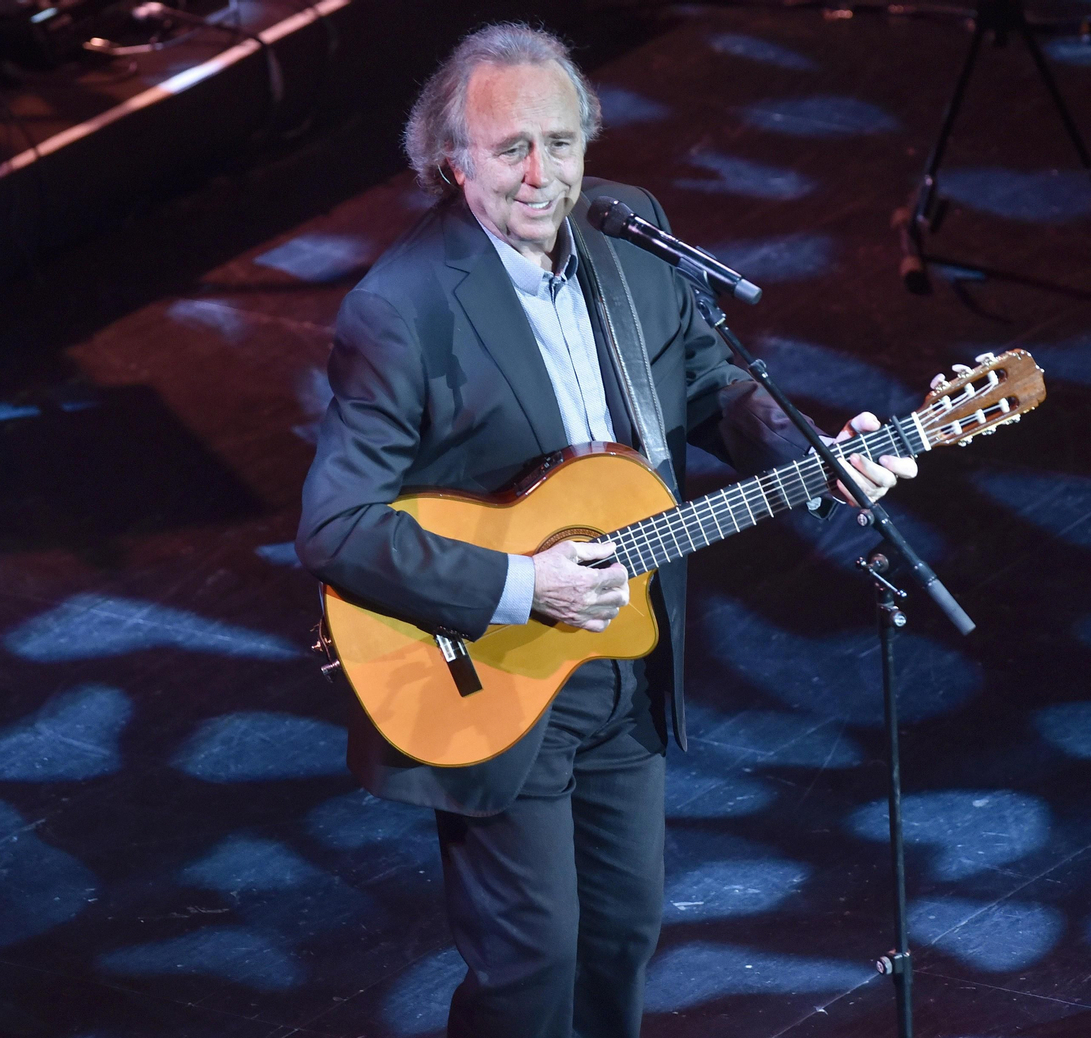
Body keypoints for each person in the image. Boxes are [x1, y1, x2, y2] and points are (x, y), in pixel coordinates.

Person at [295, 23, 917, 1038]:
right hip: (494, 664)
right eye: (510, 150)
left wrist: (815, 453)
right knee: (529, 964)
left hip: (626, 651)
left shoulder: (632, 234)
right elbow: (336, 530)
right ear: (452, 161)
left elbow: (710, 390)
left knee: (624, 932)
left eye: (562, 144)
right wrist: (520, 586)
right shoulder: (400, 309)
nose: (542, 176)